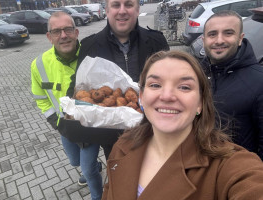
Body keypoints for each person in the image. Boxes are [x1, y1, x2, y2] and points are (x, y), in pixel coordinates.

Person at [102, 50, 263, 200]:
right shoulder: (124, 143)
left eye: (184, 87)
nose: (167, 96)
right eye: (155, 85)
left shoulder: (229, 166)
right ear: (142, 97)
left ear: (200, 103)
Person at [76, 0, 170, 160]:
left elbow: (171, 83)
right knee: (120, 182)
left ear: (138, 9)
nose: (122, 11)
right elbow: (78, 91)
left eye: (128, 4)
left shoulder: (157, 42)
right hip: (113, 142)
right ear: (106, 9)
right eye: (115, 5)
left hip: (154, 136)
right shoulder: (88, 46)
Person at [30, 12, 102, 200]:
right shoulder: (38, 64)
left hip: (90, 125)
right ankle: (95, 167)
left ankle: (97, 195)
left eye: (68, 29)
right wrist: (56, 122)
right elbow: (40, 97)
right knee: (75, 162)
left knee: (86, 169)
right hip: (65, 125)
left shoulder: (93, 56)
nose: (63, 35)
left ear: (76, 32)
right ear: (49, 37)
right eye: (56, 31)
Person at [201, 10, 263, 160]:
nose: (219, 40)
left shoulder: (259, 81)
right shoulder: (195, 75)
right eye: (212, 34)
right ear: (204, 40)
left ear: (240, 38)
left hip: (236, 176)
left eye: (228, 33)